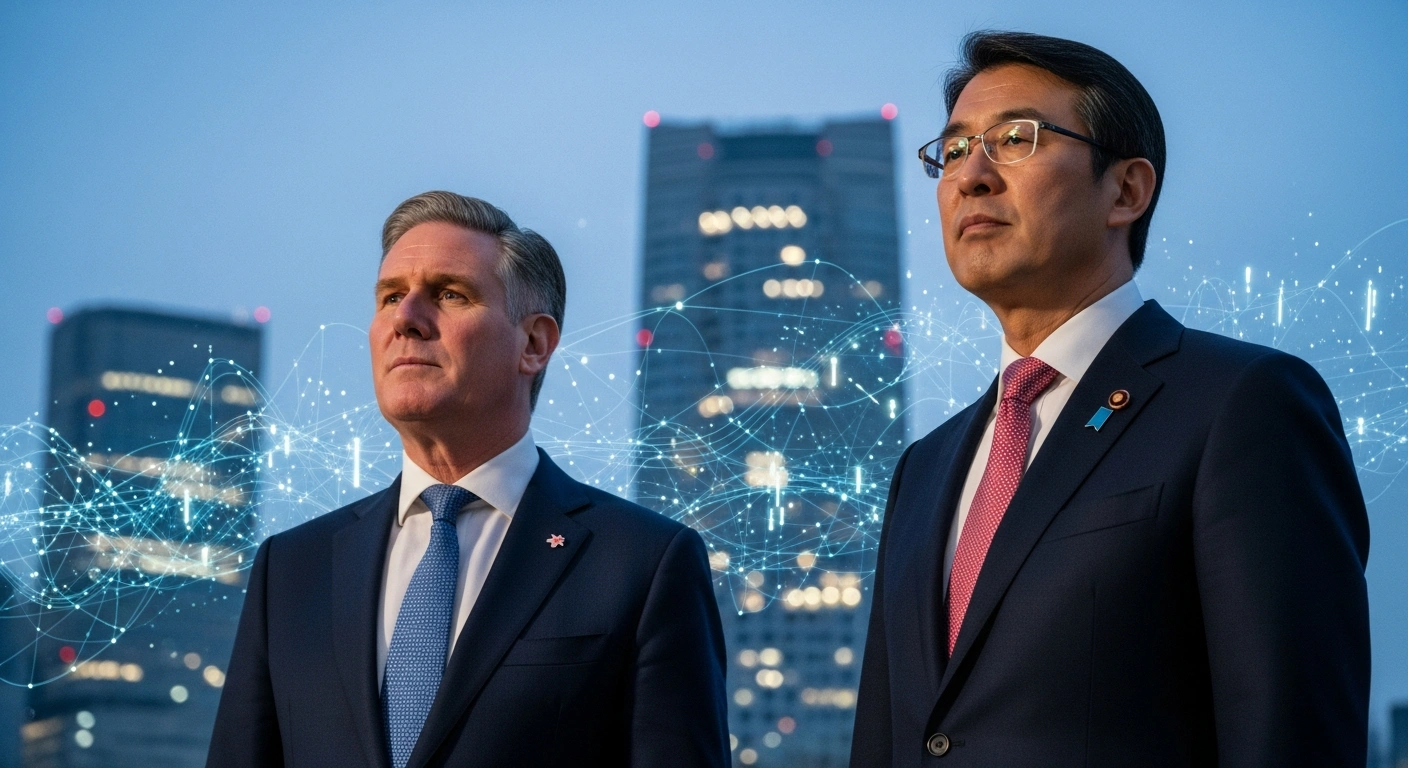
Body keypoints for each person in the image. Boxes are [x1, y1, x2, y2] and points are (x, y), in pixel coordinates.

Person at [850, 32, 1370, 767]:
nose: (972, 175)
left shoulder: (1241, 405)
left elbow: (1290, 731)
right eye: (955, 149)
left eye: (1015, 138)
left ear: (1126, 190)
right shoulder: (925, 469)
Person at [209, 191, 730, 768]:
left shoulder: (641, 563)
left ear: (533, 344)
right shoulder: (291, 570)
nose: (405, 319)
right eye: (389, 297)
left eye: (449, 294)